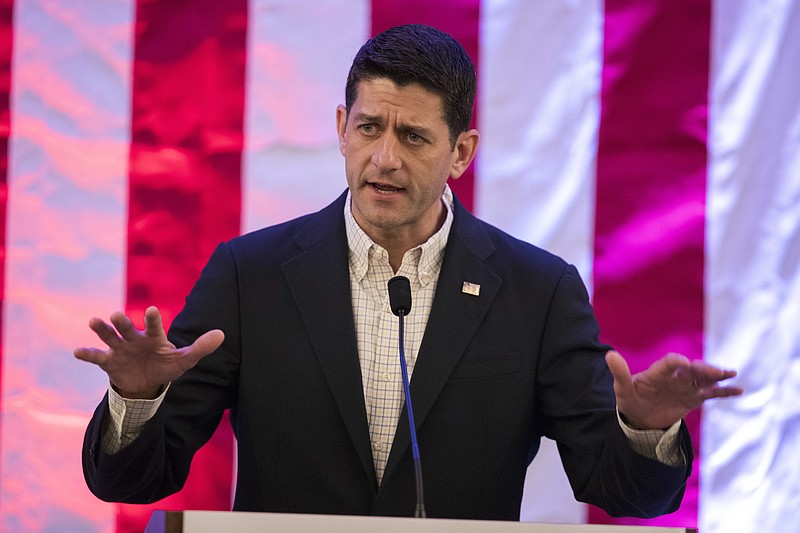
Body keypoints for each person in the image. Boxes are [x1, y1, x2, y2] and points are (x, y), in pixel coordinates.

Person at [76, 24, 742, 520]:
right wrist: (135, 402)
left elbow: (620, 488)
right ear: (342, 127)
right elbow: (135, 480)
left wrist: (646, 430)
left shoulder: (538, 292)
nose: (384, 159)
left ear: (461, 152)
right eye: (369, 128)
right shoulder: (251, 276)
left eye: (414, 137)